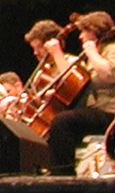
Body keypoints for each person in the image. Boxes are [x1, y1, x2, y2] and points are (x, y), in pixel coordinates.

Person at [47, 11, 115, 175]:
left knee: (63, 122)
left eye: (84, 31)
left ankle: (63, 176)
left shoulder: (111, 49)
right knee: (56, 121)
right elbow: (74, 82)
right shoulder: (95, 55)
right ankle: (55, 170)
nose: (81, 37)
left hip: (110, 113)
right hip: (95, 111)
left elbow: (109, 74)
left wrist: (91, 50)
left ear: (94, 31)